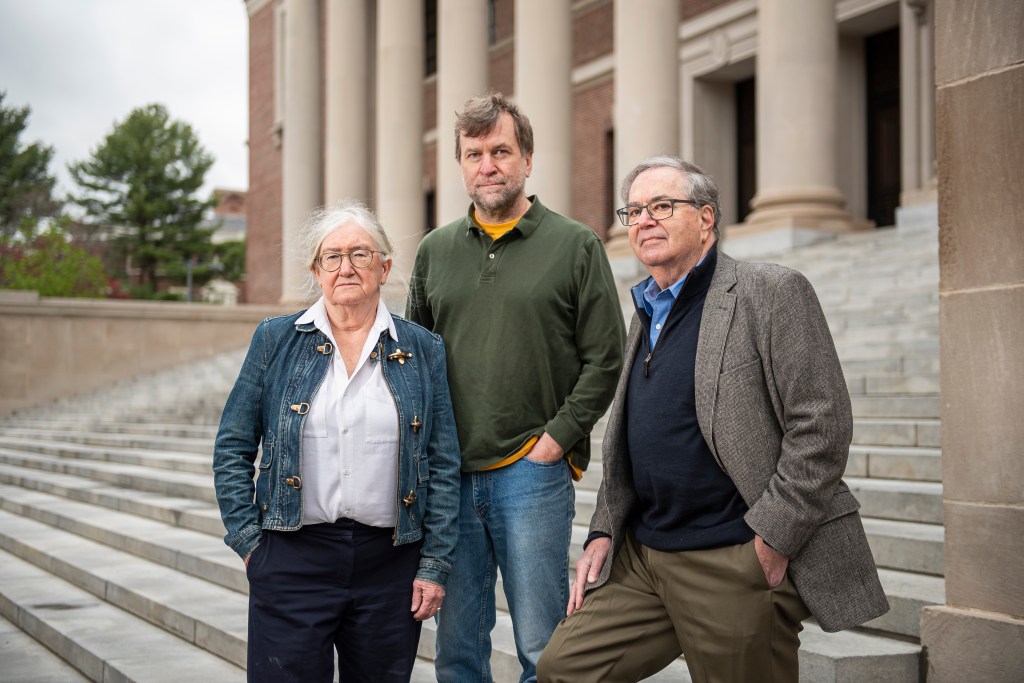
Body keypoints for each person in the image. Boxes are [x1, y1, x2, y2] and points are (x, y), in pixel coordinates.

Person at [537, 157, 889, 683]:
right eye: (633, 210)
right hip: (645, 556)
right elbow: (631, 441)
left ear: (706, 219)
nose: (643, 220)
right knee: (563, 669)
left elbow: (822, 425)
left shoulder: (770, 291)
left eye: (661, 206)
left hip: (731, 554)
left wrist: (770, 541)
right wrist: (605, 528)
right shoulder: (645, 311)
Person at [406, 93, 625, 682]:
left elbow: (606, 358)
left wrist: (556, 439)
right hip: (451, 477)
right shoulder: (434, 251)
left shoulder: (575, 245)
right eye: (473, 154)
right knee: (457, 651)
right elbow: (415, 364)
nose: (488, 165)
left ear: (527, 158)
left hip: (531, 470)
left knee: (542, 646)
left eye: (501, 151)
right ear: (460, 164)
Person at [213, 200, 461, 682]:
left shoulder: (423, 348)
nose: (346, 267)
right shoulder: (275, 339)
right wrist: (250, 545)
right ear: (316, 269)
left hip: (389, 564)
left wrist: (433, 564)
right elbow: (232, 447)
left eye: (361, 255)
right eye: (333, 256)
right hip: (291, 558)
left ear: (385, 267)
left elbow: (443, 461)